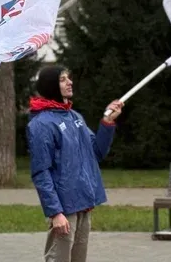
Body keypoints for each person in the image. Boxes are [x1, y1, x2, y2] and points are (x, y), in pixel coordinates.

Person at [27, 66, 124, 262]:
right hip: (64, 208)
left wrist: (107, 122)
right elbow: (41, 172)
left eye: (68, 78)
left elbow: (96, 152)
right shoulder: (41, 124)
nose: (69, 82)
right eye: (63, 80)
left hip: (83, 202)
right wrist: (55, 212)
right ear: (51, 86)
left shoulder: (75, 117)